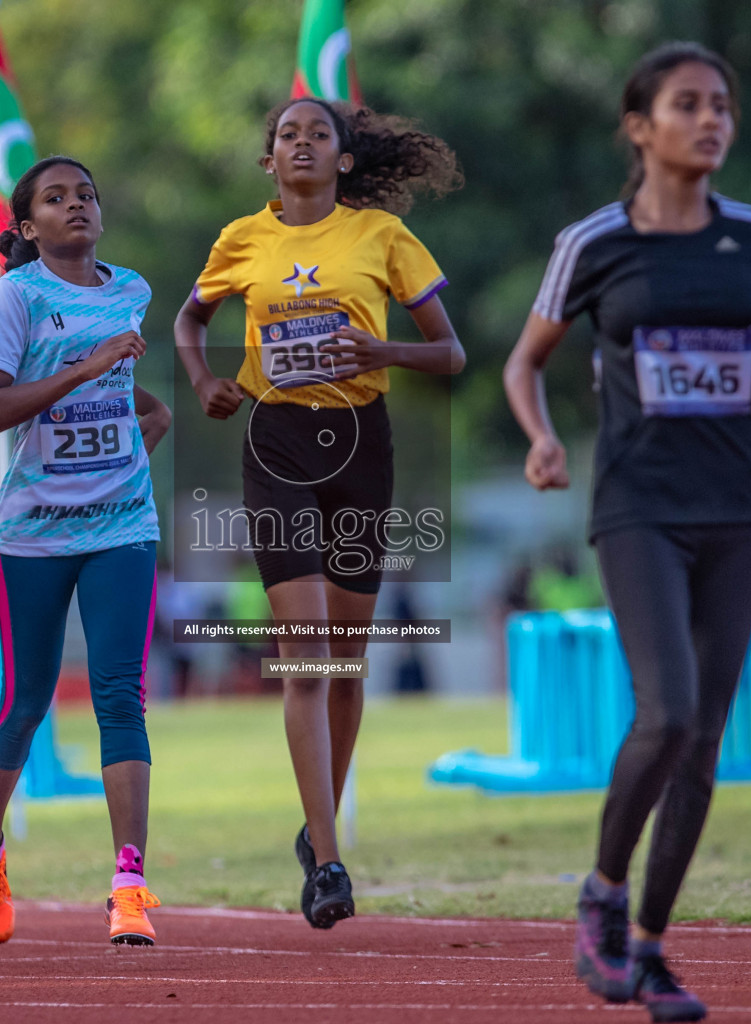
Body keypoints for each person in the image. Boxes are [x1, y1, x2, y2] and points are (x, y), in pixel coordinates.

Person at [503, 42, 751, 1022]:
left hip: (735, 505)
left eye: (722, 104)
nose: (712, 119)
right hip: (638, 505)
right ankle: (602, 895)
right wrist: (545, 437)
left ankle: (648, 950)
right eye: (688, 104)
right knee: (669, 711)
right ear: (641, 127)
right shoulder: (593, 243)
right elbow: (524, 364)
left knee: (706, 741)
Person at [174, 96, 465, 928]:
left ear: (344, 158)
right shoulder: (242, 240)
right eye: (285, 135)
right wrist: (203, 381)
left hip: (360, 447)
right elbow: (190, 321)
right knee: (306, 661)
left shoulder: (382, 238)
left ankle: (317, 826)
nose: (301, 143)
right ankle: (331, 864)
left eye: (318, 133)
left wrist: (384, 350)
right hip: (275, 443)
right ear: (269, 161)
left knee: (347, 663)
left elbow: (450, 352)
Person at [0, 155, 172, 948]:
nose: (76, 205)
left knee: (122, 694)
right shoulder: (14, 299)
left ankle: (129, 884)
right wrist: (86, 367)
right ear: (29, 228)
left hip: (122, 525)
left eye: (86, 193)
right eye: (55, 199)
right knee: (27, 701)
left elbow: (137, 404)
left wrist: (128, 446)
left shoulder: (133, 290)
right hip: (34, 531)